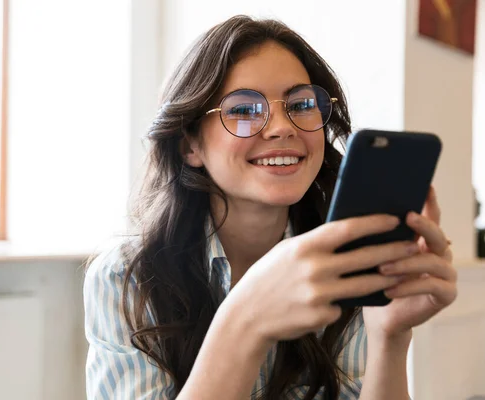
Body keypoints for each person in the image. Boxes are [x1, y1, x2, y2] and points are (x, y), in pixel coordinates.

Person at [83, 15, 456, 400]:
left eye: (301, 104)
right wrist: (245, 319)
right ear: (190, 145)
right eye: (244, 110)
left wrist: (390, 339)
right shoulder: (124, 278)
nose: (282, 127)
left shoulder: (346, 263)